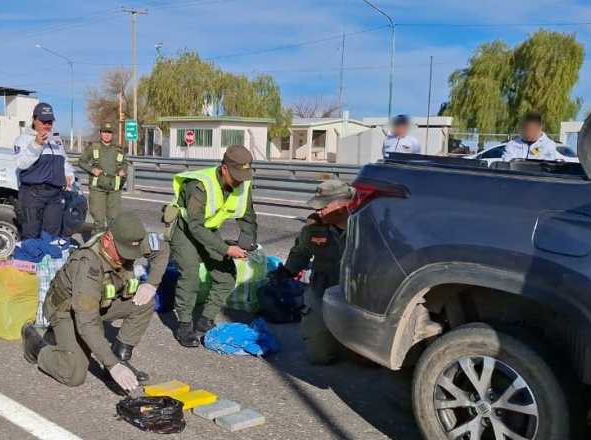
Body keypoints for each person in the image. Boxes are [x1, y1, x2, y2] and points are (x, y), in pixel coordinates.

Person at [21, 212, 169, 391]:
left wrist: (151, 284)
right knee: (73, 373)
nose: (128, 257)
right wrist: (112, 365)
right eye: (123, 253)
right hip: (66, 310)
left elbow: (162, 249)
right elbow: (87, 322)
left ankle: (120, 357)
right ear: (108, 240)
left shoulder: (132, 238)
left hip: (100, 302)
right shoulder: (88, 266)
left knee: (145, 302)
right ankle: (35, 344)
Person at [167, 145, 258, 347]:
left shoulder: (243, 182)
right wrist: (226, 249)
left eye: (243, 176)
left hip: (209, 229)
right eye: (236, 176)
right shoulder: (199, 186)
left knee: (226, 276)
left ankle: (205, 320)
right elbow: (195, 226)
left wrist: (247, 244)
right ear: (224, 168)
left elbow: (248, 215)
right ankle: (184, 325)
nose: (240, 181)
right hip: (185, 230)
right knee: (190, 275)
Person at [280, 179, 352, 365]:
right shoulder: (314, 229)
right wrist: (286, 272)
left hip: (356, 294)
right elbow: (300, 252)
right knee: (320, 356)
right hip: (323, 287)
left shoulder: (366, 226)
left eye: (324, 206)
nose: (318, 211)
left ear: (343, 205)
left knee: (365, 360)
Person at [13, 103, 75, 239]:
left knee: (51, 235)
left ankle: (47, 260)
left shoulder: (56, 139)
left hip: (55, 195)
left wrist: (69, 175)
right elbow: (21, 163)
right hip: (33, 194)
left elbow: (64, 161)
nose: (47, 125)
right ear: (34, 120)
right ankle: (31, 260)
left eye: (50, 121)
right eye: (43, 121)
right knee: (31, 235)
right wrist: (36, 145)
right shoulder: (23, 139)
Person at [77, 123, 128, 232]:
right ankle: (97, 246)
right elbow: (81, 162)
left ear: (112, 134)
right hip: (97, 188)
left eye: (109, 132)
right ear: (100, 133)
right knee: (99, 220)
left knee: (114, 221)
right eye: (104, 132)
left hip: (114, 188)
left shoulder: (118, 149)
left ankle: (111, 247)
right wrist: (92, 170)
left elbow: (124, 163)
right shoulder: (93, 147)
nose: (106, 135)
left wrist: (123, 170)